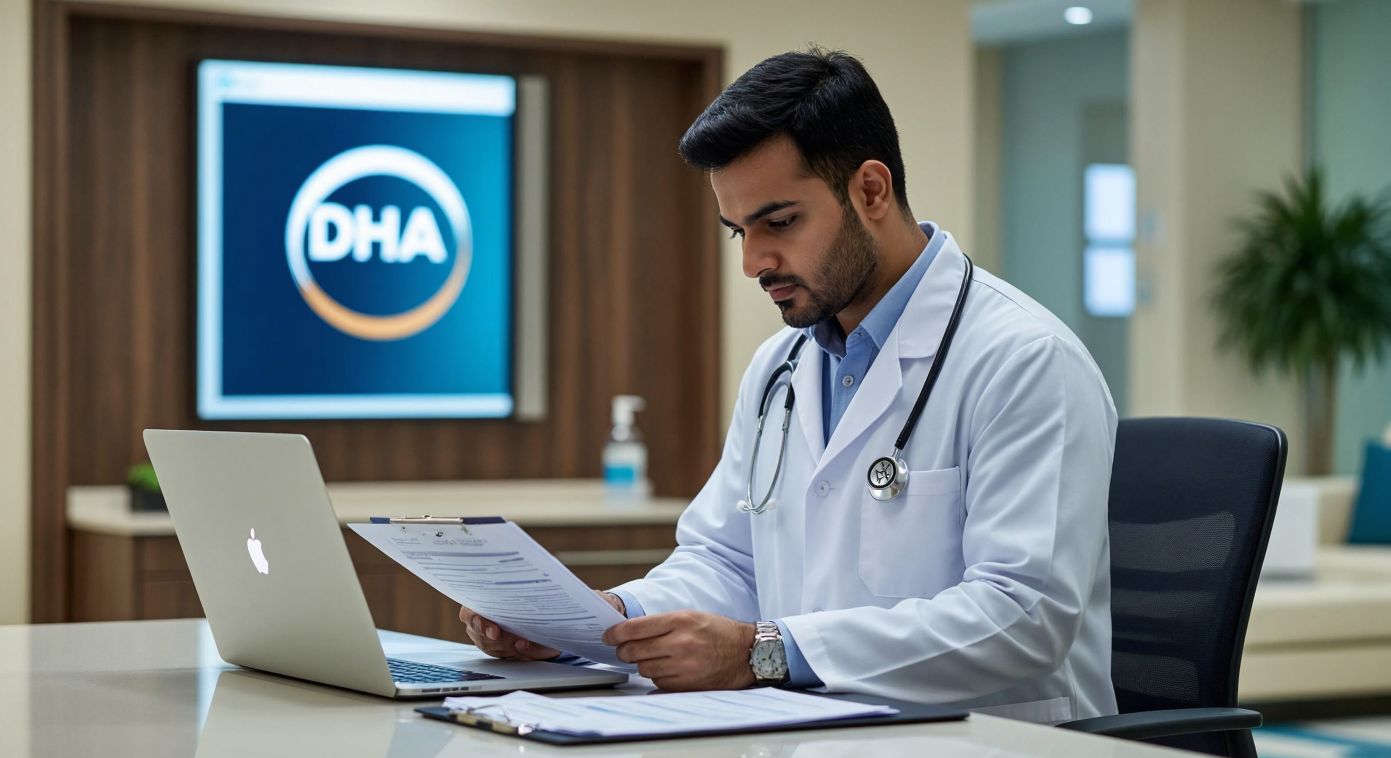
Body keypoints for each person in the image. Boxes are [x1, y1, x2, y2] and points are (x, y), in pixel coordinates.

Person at [459, 47, 1118, 723]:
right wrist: (606, 621)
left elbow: (1024, 616)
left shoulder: (1024, 361)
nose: (753, 262)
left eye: (779, 223)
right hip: (816, 737)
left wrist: (763, 654)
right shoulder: (781, 367)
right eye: (738, 231)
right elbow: (727, 563)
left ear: (870, 190)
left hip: (995, 745)